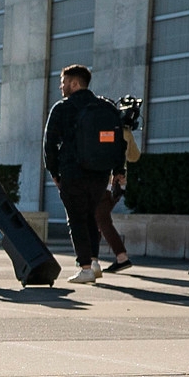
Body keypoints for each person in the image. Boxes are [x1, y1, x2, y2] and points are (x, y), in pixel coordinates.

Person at [42, 64, 125, 285]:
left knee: (77, 219)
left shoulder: (62, 108)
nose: (61, 86)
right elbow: (119, 142)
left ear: (74, 83)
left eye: (63, 82)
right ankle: (94, 263)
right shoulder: (106, 108)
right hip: (100, 173)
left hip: (73, 171)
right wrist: (118, 171)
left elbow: (49, 143)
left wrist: (53, 171)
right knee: (91, 217)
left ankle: (85, 267)